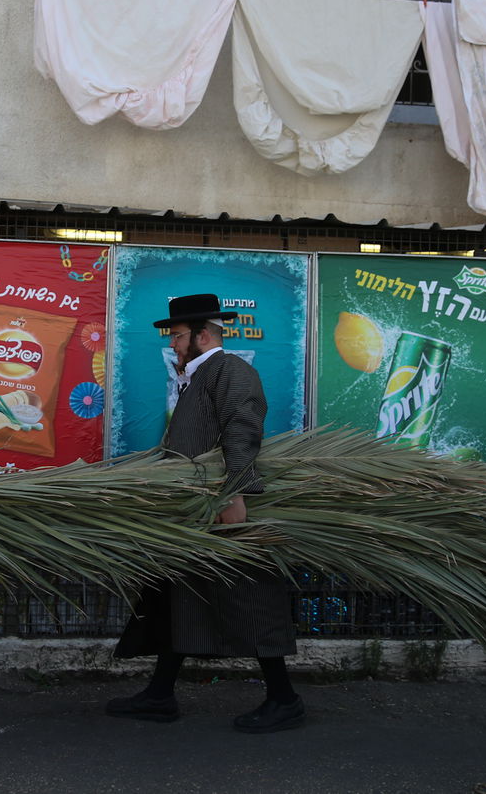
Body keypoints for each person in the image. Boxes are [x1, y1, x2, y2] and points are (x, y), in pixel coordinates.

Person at [106, 293, 304, 733]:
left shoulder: (229, 369)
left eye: (177, 336)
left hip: (221, 506)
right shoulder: (197, 376)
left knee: (247, 597)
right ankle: (160, 695)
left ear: (202, 335)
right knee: (181, 596)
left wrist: (235, 492)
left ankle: (284, 699)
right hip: (196, 510)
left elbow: (242, 426)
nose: (173, 344)